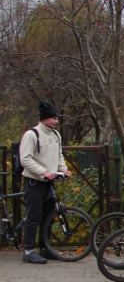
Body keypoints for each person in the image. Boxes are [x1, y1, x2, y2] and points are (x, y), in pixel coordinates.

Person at [19, 102, 72, 264]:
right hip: (35, 181)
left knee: (49, 216)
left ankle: (45, 247)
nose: (56, 121)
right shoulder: (32, 134)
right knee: (33, 216)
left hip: (49, 182)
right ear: (44, 118)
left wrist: (63, 169)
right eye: (53, 118)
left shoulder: (56, 135)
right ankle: (28, 250)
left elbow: (59, 154)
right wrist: (43, 172)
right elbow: (25, 158)